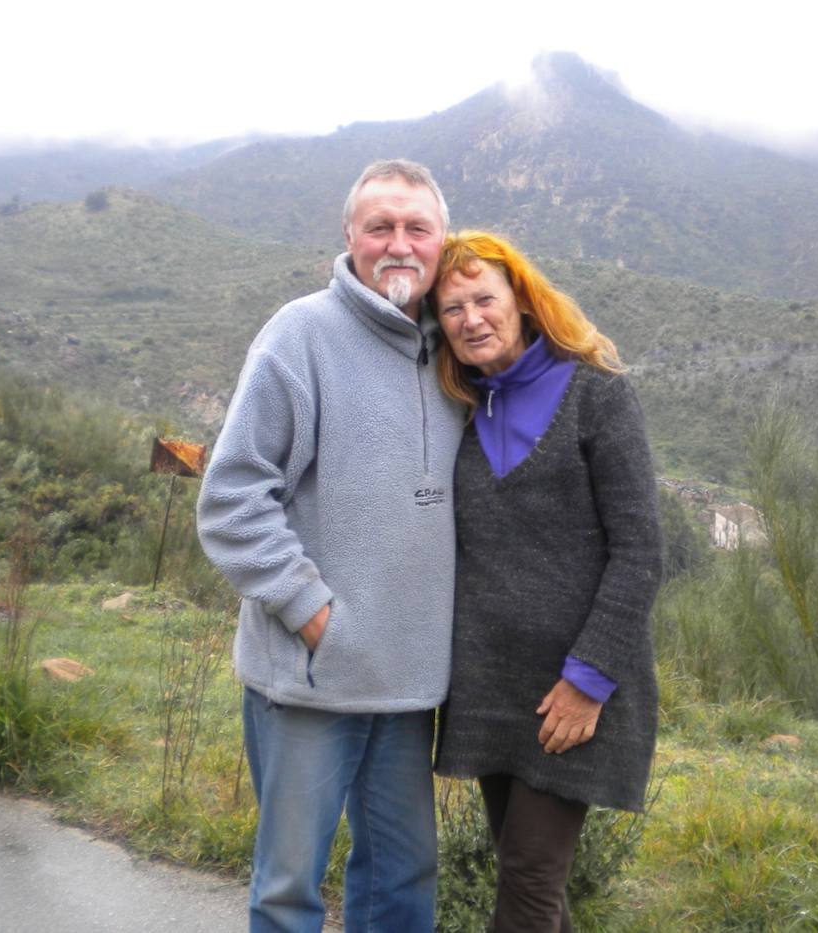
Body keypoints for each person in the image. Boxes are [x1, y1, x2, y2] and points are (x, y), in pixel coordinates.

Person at [196, 159, 466, 933]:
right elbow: (232, 498)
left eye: (418, 228)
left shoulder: (453, 349)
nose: (399, 245)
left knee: (401, 884)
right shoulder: (300, 335)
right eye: (380, 227)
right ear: (349, 235)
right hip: (312, 678)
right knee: (289, 890)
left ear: (442, 241)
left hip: (410, 685)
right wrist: (317, 616)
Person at [430, 230, 663, 932]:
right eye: (451, 309)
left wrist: (589, 678)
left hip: (574, 691)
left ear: (523, 303)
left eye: (484, 299)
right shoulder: (462, 412)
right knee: (527, 874)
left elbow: (641, 550)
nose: (471, 319)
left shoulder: (597, 396)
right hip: (492, 688)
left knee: (529, 883)